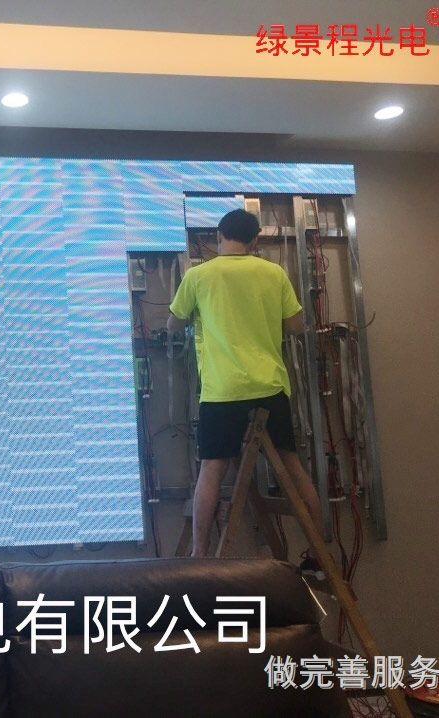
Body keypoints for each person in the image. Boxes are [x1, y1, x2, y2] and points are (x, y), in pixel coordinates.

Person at [166, 208, 324, 578]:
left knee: (212, 468)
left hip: (222, 391)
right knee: (291, 465)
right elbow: (296, 326)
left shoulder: (198, 275)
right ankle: (318, 555)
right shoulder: (273, 273)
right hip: (269, 387)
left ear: (219, 236)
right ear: (255, 240)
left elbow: (173, 324)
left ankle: (200, 555)